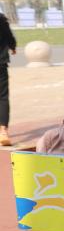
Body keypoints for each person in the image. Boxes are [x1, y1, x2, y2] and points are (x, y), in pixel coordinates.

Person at [0, 12, 15, 146]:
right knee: (3, 97)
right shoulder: (1, 19)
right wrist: (13, 46)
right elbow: (9, 36)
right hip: (1, 63)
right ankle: (3, 131)